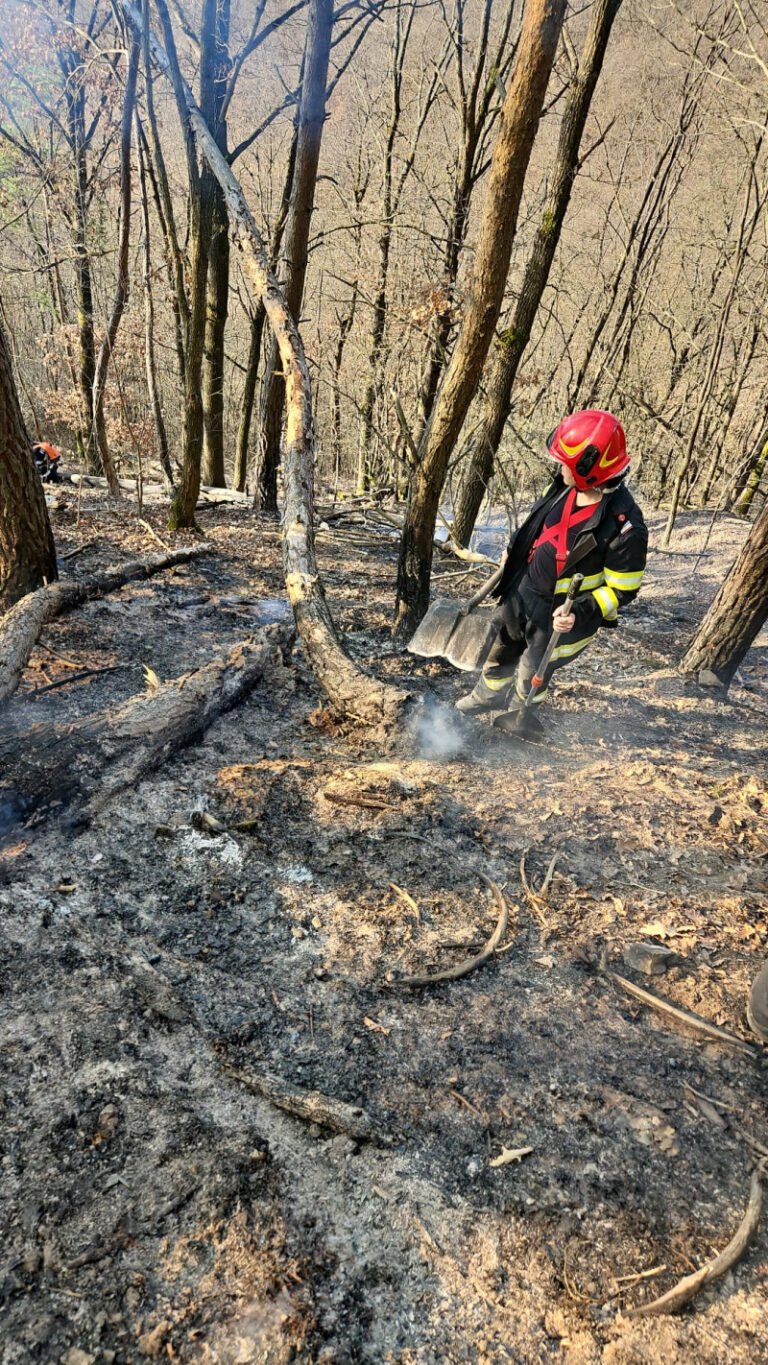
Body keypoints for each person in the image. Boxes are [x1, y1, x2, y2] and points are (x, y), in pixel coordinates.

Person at [456, 409, 648, 736]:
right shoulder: (562, 485)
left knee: (533, 668)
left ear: (588, 469)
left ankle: (520, 716)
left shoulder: (626, 527)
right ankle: (486, 696)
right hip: (523, 589)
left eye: (566, 463)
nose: (559, 468)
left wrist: (581, 611)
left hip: (559, 615)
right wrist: (515, 548)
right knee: (502, 645)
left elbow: (623, 589)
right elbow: (538, 519)